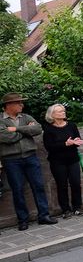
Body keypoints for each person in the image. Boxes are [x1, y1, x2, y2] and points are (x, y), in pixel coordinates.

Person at [0, 92, 58, 231]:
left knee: (38, 186)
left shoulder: (26, 117)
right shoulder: (1, 120)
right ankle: (23, 220)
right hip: (11, 160)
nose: (22, 105)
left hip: (30, 157)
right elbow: (4, 137)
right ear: (8, 105)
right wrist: (26, 130)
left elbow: (37, 129)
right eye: (18, 102)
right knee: (18, 190)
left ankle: (44, 216)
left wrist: (16, 129)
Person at [42, 104, 83, 218]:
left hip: (73, 159)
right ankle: (65, 210)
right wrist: (65, 144)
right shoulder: (48, 129)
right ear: (52, 115)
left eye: (63, 110)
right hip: (57, 161)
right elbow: (49, 147)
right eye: (60, 111)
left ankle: (77, 207)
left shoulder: (71, 125)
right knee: (62, 185)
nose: (63, 112)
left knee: (76, 183)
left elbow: (77, 138)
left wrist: (77, 141)